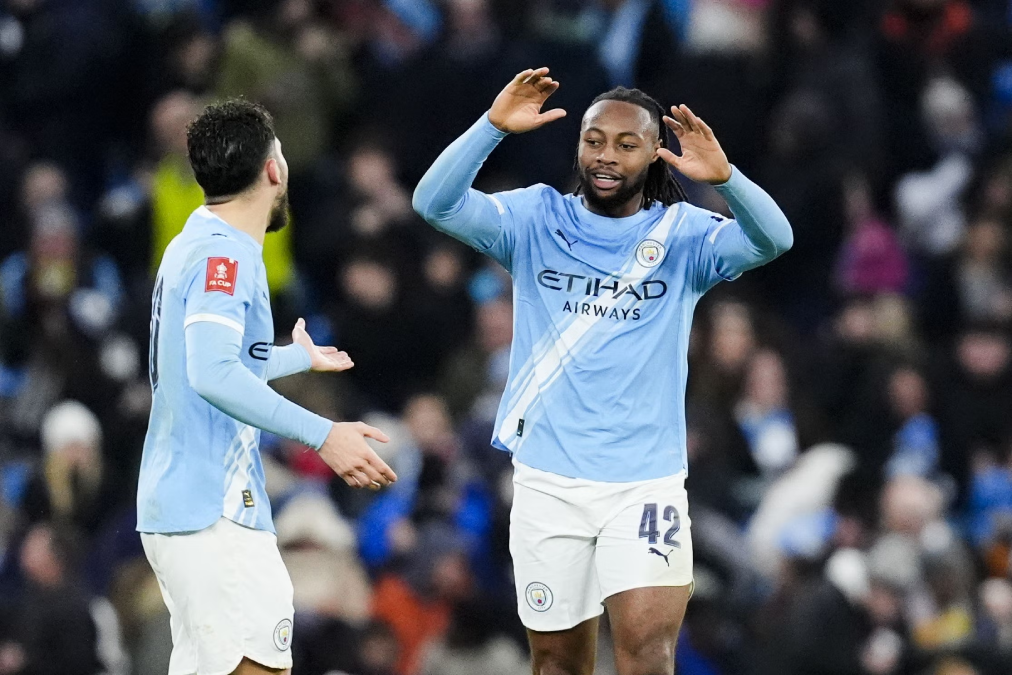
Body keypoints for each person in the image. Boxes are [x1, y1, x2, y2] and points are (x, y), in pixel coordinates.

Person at [413, 67, 793, 675]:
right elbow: (432, 202)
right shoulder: (534, 219)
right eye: (594, 140)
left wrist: (728, 178)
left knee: (646, 652)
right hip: (547, 482)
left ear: (654, 154)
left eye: (626, 143)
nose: (606, 156)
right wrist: (490, 127)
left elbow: (775, 238)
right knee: (558, 662)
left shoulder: (683, 236)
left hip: (645, 485)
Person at [136, 99, 397, 675]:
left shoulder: (199, 242)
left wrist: (289, 359)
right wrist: (322, 434)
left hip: (193, 505)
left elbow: (200, 366)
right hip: (212, 509)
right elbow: (210, 374)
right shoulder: (223, 255)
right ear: (274, 169)